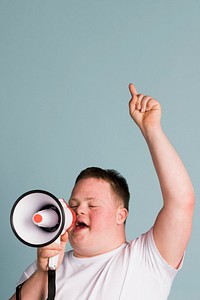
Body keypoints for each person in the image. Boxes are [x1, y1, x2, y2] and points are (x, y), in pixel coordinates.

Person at [10, 83, 194, 300]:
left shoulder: (145, 259)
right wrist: (43, 273)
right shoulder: (42, 269)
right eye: (74, 204)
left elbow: (181, 202)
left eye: (93, 205)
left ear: (121, 215)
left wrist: (151, 128)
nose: (79, 211)